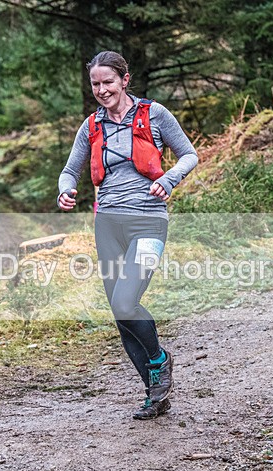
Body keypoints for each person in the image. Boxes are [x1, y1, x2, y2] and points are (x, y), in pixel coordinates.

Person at [57, 51, 198, 420]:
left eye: (108, 82)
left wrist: (168, 180)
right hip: (108, 225)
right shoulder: (91, 126)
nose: (101, 90)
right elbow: (70, 170)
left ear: (124, 79)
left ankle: (159, 360)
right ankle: (156, 394)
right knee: (122, 317)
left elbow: (189, 155)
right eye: (95, 84)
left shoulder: (154, 115)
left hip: (149, 222)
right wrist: (65, 189)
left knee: (125, 302)